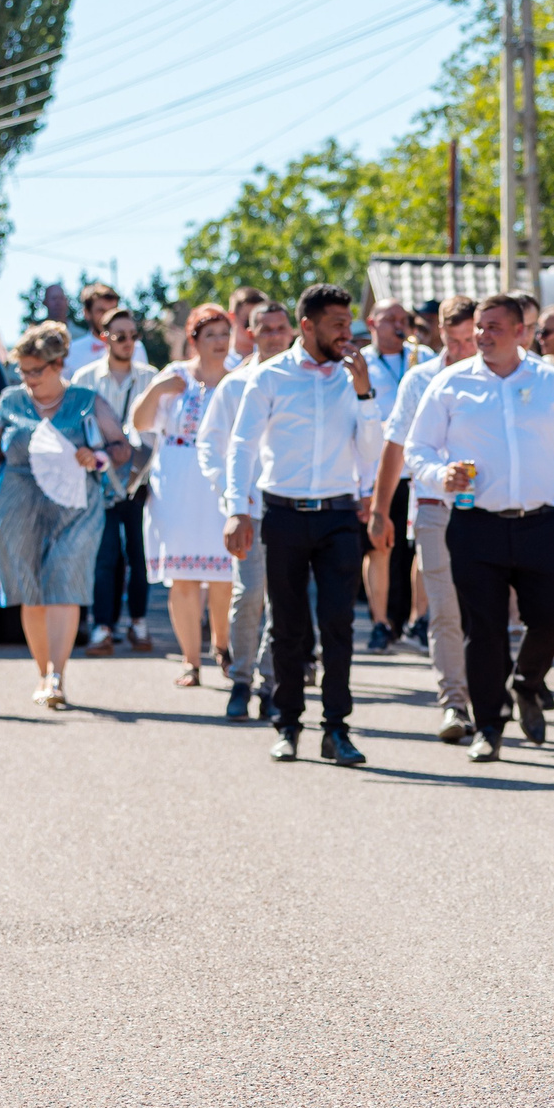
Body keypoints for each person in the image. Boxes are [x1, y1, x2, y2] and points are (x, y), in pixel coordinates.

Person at [403, 294, 554, 761]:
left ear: (521, 333)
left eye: (493, 328)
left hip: (543, 523)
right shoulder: (450, 384)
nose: (483, 336)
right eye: (479, 328)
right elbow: (417, 448)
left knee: (549, 619)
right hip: (474, 525)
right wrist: (437, 475)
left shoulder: (551, 383)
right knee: (482, 631)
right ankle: (489, 725)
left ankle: (527, 683)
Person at [222, 283, 385, 766]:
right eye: (337, 324)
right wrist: (237, 508)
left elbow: (370, 453)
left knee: (338, 624)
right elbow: (242, 447)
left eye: (349, 322)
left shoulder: (355, 377)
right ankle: (287, 722)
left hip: (338, 514)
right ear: (308, 326)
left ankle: (337, 728)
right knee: (289, 626)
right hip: (283, 513)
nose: (347, 332)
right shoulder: (270, 378)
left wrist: (365, 395)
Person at [0, 322, 132, 709]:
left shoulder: (85, 400)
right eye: (22, 371)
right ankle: (43, 672)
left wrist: (96, 457)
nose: (27, 379)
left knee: (65, 579)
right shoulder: (10, 401)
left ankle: (58, 676)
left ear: (59, 363)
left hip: (75, 506)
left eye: (36, 371)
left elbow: (121, 448)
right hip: (19, 504)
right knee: (30, 591)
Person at [370, 295, 480, 740]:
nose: (458, 351)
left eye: (468, 340)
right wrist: (379, 509)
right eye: (450, 340)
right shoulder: (420, 379)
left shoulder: (505, 376)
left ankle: (504, 687)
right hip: (434, 507)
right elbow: (395, 446)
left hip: (495, 512)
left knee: (489, 611)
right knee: (445, 611)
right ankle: (455, 701)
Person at [132, 305, 239, 687]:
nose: (219, 342)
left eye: (224, 334)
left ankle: (223, 647)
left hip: (221, 482)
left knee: (224, 571)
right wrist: (157, 390)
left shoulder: (239, 377)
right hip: (176, 481)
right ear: (193, 339)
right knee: (184, 576)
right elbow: (141, 423)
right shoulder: (174, 377)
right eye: (210, 335)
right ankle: (190, 661)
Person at [203, 299, 294, 722]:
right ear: (251, 333)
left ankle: (270, 683)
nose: (274, 335)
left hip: (291, 506)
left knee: (284, 600)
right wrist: (230, 497)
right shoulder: (235, 385)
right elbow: (213, 444)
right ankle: (240, 678)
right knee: (250, 593)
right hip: (249, 509)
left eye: (281, 328)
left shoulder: (303, 379)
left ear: (292, 331)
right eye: (266, 328)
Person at [74, 307, 158, 657]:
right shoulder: (86, 378)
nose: (127, 342)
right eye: (120, 335)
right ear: (104, 338)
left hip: (141, 478)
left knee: (139, 555)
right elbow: (76, 426)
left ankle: (138, 623)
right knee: (105, 555)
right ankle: (102, 627)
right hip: (100, 480)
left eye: (133, 336)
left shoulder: (151, 377)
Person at [360, 298, 431, 653]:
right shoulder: (361, 365)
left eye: (403, 319)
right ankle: (380, 621)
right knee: (381, 547)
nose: (398, 325)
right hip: (382, 470)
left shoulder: (426, 358)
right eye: (390, 319)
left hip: (419, 470)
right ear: (372, 323)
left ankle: (420, 620)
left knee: (423, 546)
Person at [64, 278, 121, 376]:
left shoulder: (135, 348)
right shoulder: (71, 351)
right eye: (101, 311)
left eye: (112, 311)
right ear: (87, 313)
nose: (108, 317)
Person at [226, 285, 270, 366]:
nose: (253, 329)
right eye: (248, 321)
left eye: (258, 322)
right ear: (231, 317)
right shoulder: (218, 357)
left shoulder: (273, 356)